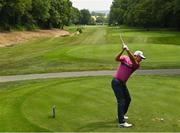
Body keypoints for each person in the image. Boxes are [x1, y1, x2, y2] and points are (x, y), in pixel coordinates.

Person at [111, 44, 146, 128]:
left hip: (122, 83)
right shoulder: (125, 58)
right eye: (140, 57)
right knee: (121, 101)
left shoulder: (136, 64)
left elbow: (133, 61)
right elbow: (116, 58)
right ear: (136, 56)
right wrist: (123, 50)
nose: (141, 59)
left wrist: (127, 50)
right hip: (116, 82)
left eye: (142, 58)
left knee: (128, 99)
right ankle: (121, 122)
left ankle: (121, 115)